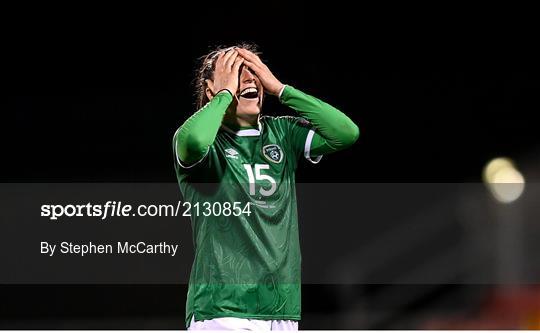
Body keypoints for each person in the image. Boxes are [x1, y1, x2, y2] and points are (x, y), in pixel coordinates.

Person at [173, 44, 359, 330]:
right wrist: (223, 95)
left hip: (282, 307)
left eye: (254, 71)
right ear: (211, 89)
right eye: (236, 72)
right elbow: (195, 142)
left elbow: (345, 133)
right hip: (223, 308)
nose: (249, 79)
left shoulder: (282, 133)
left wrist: (282, 89)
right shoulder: (206, 143)